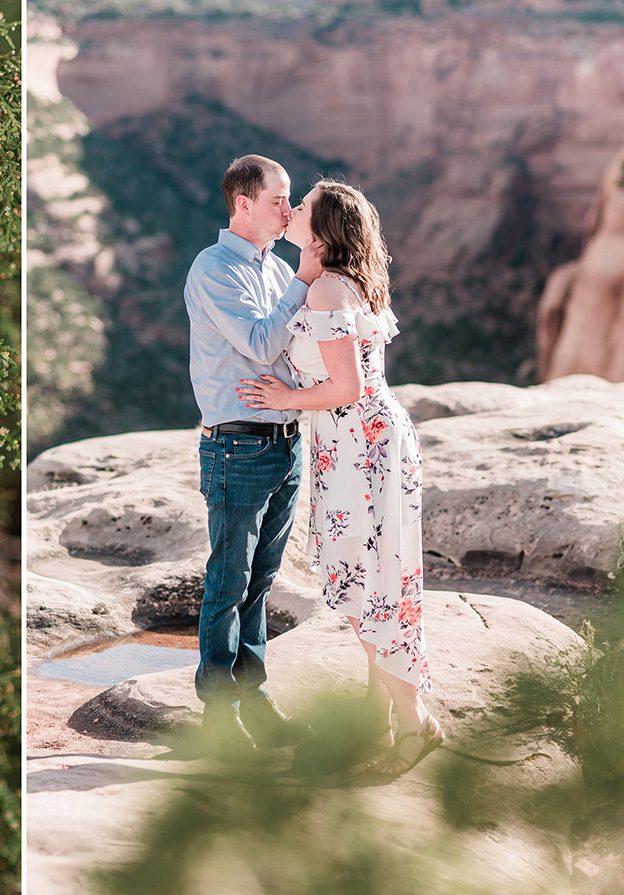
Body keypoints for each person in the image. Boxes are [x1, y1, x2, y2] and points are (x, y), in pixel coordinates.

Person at [237, 179, 443, 776]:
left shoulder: (329, 289)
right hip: (365, 443)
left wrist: (284, 395)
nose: (291, 209)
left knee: (367, 590)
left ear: (324, 229)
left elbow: (346, 388)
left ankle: (416, 724)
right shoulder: (342, 282)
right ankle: (378, 716)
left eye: (301, 206)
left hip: (359, 447)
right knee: (376, 584)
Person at [183, 154, 324, 755]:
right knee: (229, 579)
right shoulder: (216, 268)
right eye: (278, 200)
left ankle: (253, 696)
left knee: (262, 580)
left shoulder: (270, 269)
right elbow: (264, 343)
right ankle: (218, 713)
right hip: (237, 445)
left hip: (284, 440)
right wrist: (305, 276)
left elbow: (289, 349)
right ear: (243, 204)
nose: (288, 212)